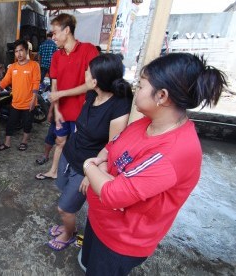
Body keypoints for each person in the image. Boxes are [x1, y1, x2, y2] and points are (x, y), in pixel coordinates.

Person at [79, 53, 227, 275]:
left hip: (119, 240)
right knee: (87, 263)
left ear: (162, 96)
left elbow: (112, 193)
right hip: (101, 220)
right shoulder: (146, 123)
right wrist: (101, 174)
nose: (135, 89)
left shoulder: (174, 152)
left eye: (140, 85)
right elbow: (110, 149)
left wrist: (89, 167)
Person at [46, 54, 133, 251]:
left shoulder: (118, 106)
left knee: (64, 208)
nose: (84, 72)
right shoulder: (92, 94)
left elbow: (113, 146)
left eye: (87, 71)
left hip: (86, 166)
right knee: (63, 192)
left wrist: (93, 173)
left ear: (95, 81)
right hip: (70, 154)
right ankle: (68, 224)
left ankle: (69, 233)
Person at [35, 14, 98, 180]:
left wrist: (61, 94)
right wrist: (56, 110)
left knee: (79, 146)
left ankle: (78, 177)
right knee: (59, 142)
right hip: (62, 111)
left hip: (81, 113)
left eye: (55, 33)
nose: (53, 37)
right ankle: (54, 171)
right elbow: (54, 85)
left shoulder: (88, 50)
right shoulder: (57, 56)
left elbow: (90, 84)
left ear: (67, 30)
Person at [0, 39, 40, 151]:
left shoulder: (34, 65)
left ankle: (24, 141)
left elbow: (36, 83)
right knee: (10, 123)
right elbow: (4, 82)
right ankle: (7, 143)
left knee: (27, 125)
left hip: (29, 103)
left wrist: (33, 101)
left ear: (26, 50)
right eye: (16, 51)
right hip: (16, 103)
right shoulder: (12, 67)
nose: (19, 54)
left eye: (21, 50)